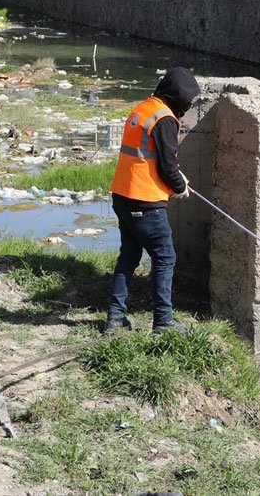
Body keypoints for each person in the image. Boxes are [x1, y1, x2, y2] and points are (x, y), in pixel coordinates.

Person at [105, 67, 199, 336]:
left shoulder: (143, 109)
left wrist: (174, 174)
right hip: (144, 201)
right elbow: (168, 168)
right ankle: (163, 322)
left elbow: (148, 155)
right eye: (188, 102)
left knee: (129, 256)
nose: (188, 107)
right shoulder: (165, 119)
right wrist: (179, 186)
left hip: (122, 195)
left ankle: (115, 319)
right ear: (177, 98)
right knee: (164, 257)